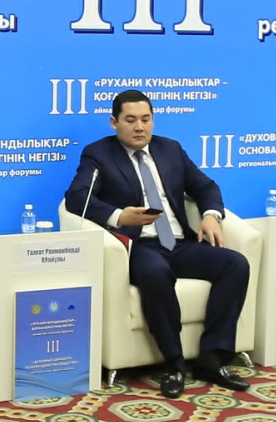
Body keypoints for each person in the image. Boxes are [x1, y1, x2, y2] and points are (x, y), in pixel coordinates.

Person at [67, 90, 250, 396]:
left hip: (179, 243)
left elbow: (206, 186)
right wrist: (119, 216)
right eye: (130, 120)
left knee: (235, 263)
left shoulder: (170, 149)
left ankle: (213, 357)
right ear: (114, 122)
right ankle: (174, 362)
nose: (139, 127)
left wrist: (210, 215)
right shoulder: (98, 154)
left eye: (145, 119)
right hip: (139, 246)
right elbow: (76, 198)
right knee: (155, 272)